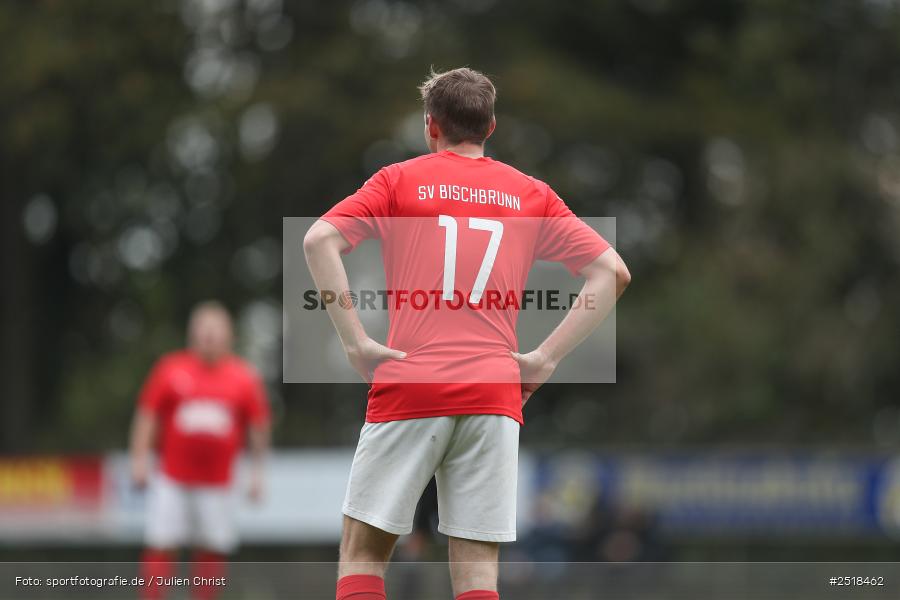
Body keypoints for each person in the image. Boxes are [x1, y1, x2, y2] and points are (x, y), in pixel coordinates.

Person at [304, 67, 630, 600]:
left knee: (362, 551)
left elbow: (319, 241)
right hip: (494, 394)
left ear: (430, 126)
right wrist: (546, 357)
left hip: (413, 381)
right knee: (477, 569)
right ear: (491, 127)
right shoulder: (532, 194)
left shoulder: (398, 180)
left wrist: (355, 342)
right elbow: (613, 272)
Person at [129, 301, 271, 600]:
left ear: (228, 335)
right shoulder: (170, 369)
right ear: (192, 333)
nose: (209, 336)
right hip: (172, 478)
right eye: (203, 329)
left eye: (215, 330)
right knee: (161, 543)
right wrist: (139, 460)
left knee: (212, 548)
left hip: (218, 483)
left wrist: (257, 473)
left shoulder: (243, 377)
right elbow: (147, 416)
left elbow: (258, 427)